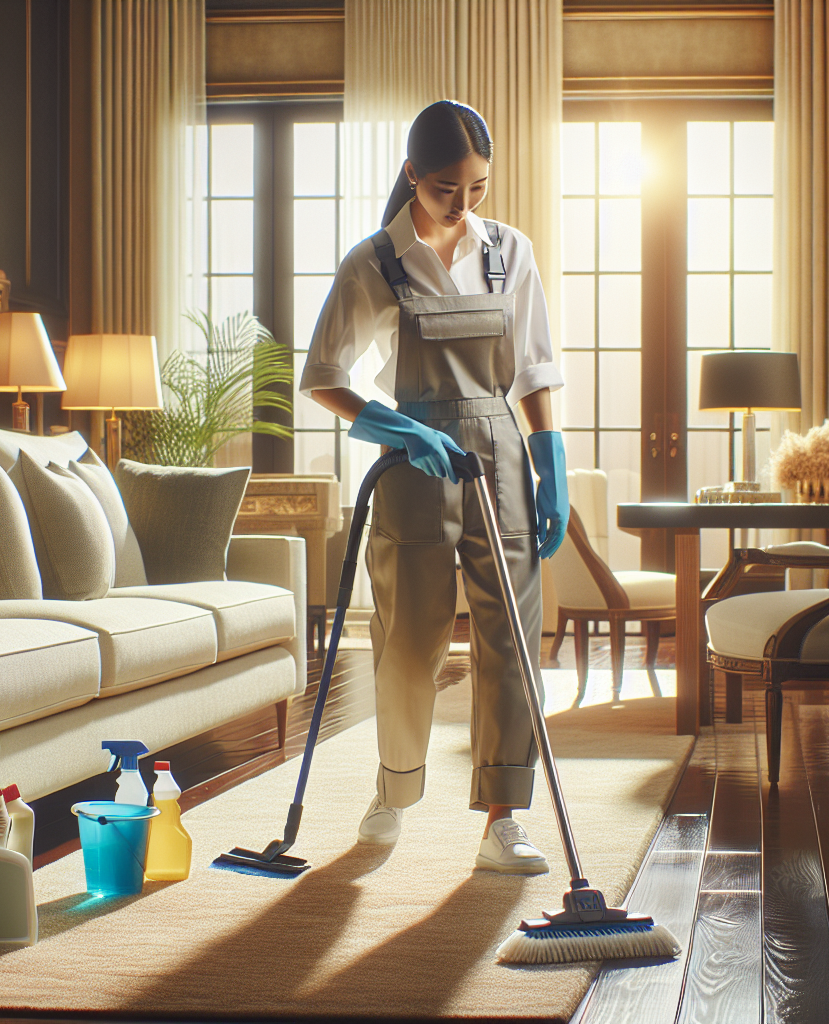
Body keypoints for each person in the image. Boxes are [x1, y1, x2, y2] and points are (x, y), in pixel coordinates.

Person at [299, 100, 568, 874]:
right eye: (448, 187)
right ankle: (394, 791)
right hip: (416, 467)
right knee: (409, 641)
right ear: (413, 174)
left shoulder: (509, 251)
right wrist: (400, 429)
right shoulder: (374, 262)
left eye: (478, 187)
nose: (464, 203)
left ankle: (504, 819)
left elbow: (534, 370)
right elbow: (324, 377)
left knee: (510, 641)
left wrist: (548, 461)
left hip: (502, 463)